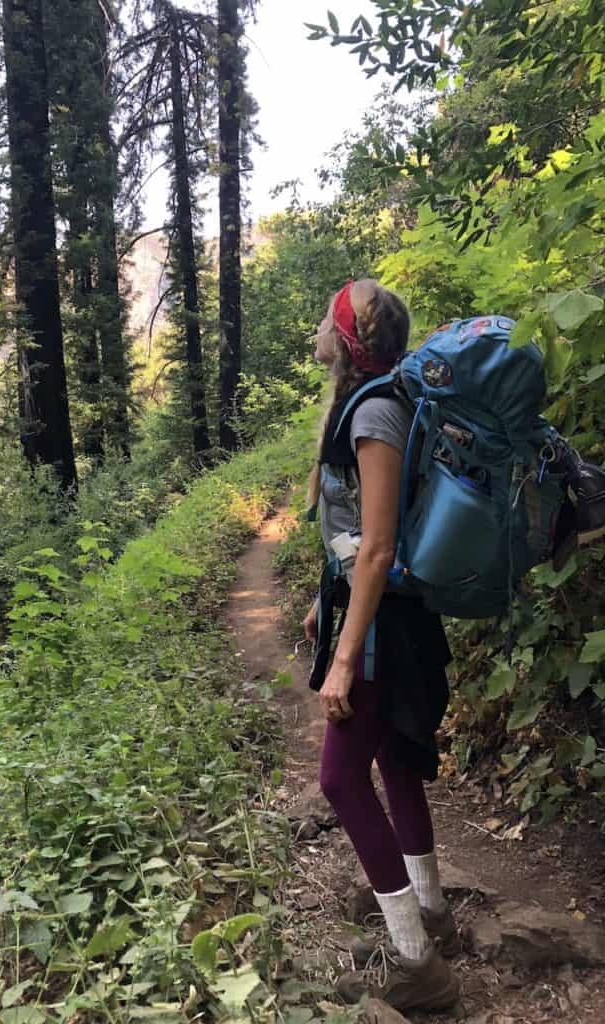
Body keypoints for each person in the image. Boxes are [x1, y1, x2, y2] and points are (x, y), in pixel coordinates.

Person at [303, 278, 461, 1014]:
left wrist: (342, 656)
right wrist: (319, 604)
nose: (321, 330)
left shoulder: (375, 412)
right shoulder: (372, 404)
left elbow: (377, 547)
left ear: (349, 341)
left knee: (340, 779)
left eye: (330, 319)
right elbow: (350, 534)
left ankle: (416, 965)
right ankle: (428, 915)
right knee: (397, 762)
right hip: (384, 615)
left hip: (386, 629)